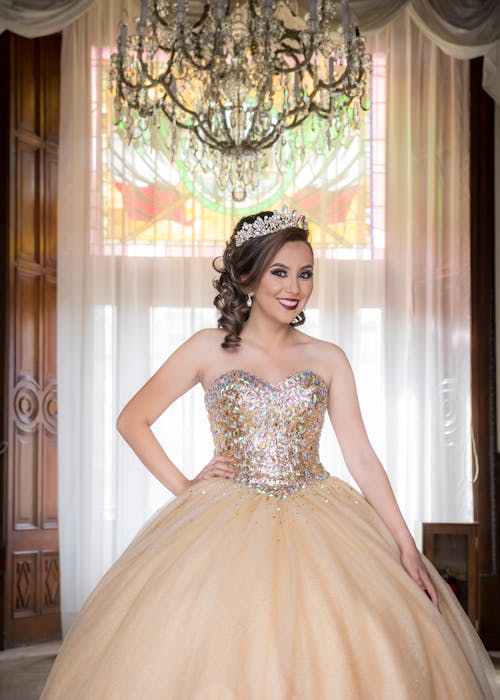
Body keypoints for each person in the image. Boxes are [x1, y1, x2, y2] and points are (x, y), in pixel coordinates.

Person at [41, 206, 499, 699]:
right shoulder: (207, 348)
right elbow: (133, 420)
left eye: (305, 274)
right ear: (246, 276)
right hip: (225, 516)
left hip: (322, 509)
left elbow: (361, 457)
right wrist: (187, 489)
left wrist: (405, 545)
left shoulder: (327, 358)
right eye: (279, 272)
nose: (294, 287)